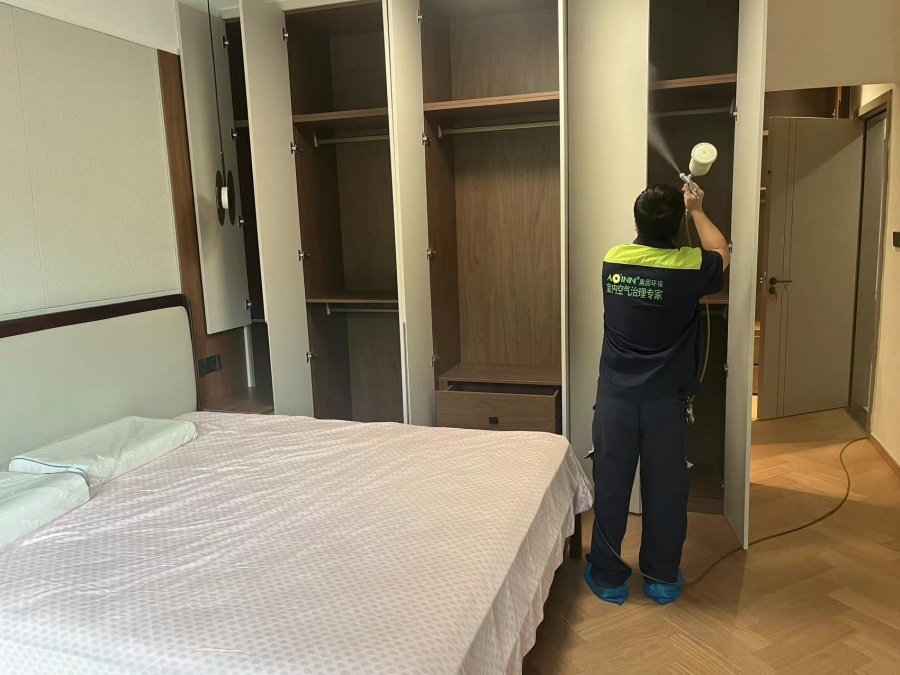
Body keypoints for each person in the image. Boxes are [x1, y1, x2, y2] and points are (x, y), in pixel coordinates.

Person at [583, 182, 730, 606]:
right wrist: (697, 209)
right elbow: (722, 252)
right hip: (667, 402)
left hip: (616, 399)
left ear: (636, 223)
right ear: (678, 225)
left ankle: (607, 576)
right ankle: (661, 577)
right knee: (666, 489)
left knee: (611, 486)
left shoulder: (613, 260)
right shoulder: (691, 267)